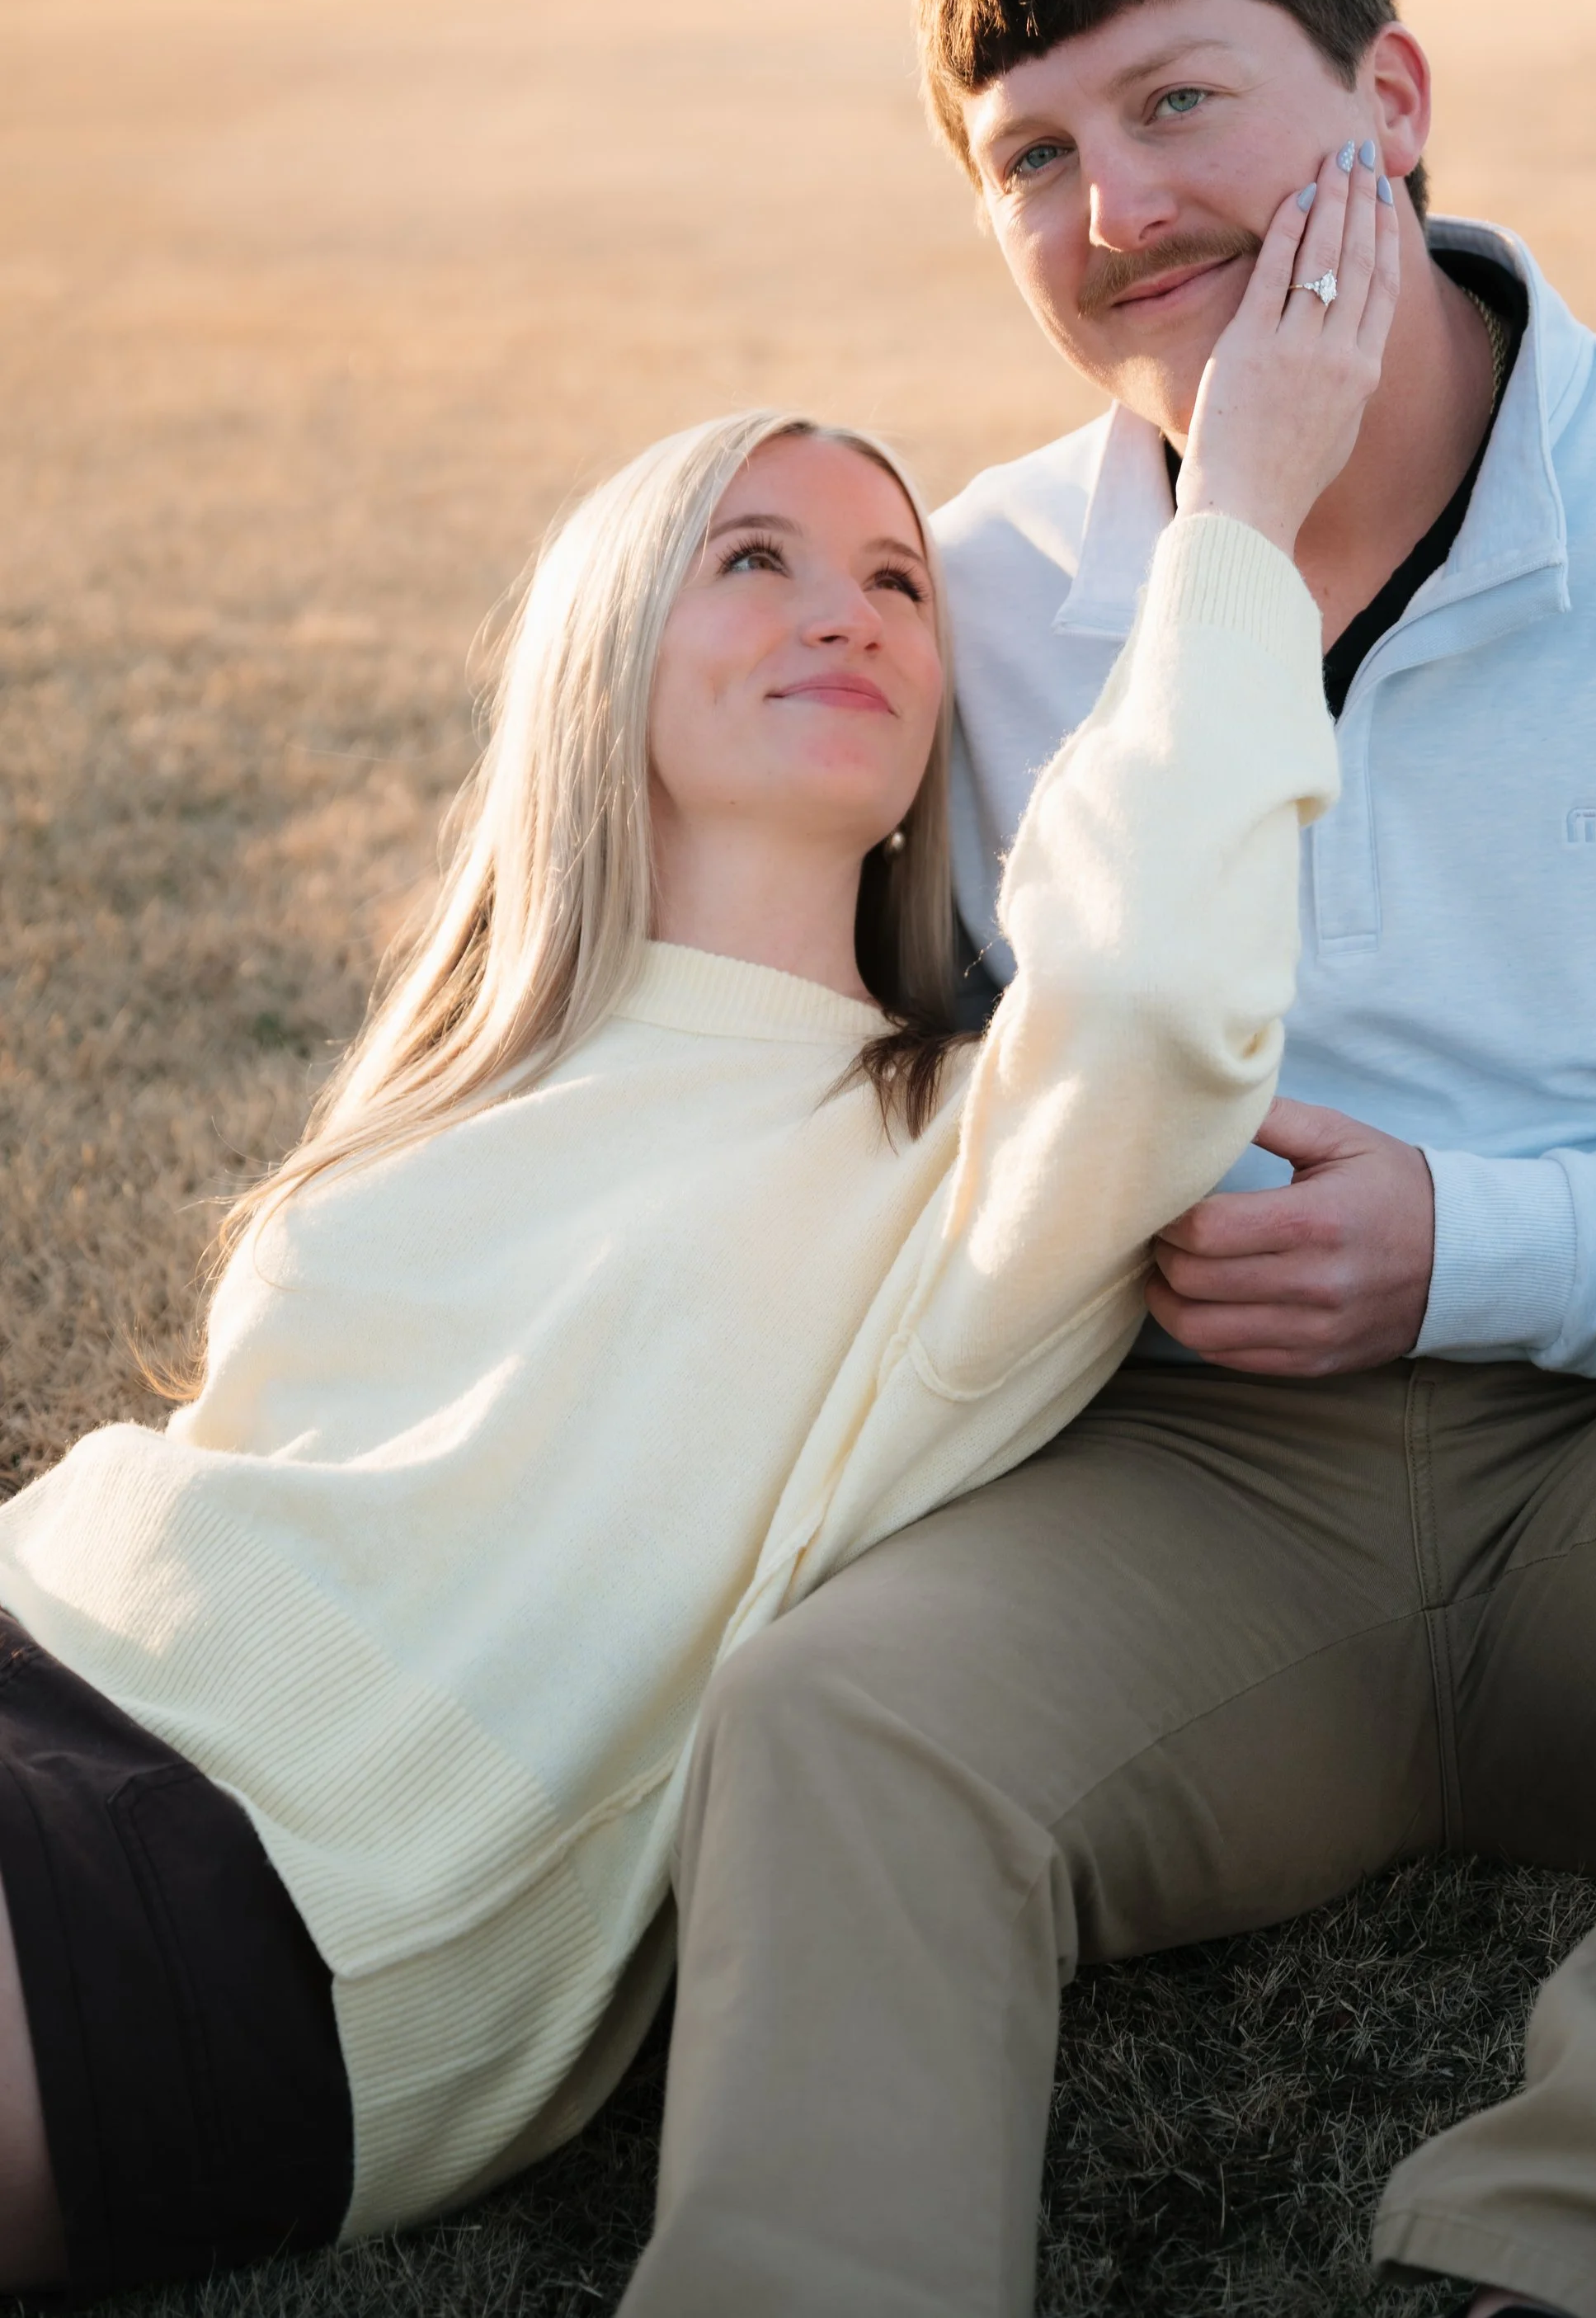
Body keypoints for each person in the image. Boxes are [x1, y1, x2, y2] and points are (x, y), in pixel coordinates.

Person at [619, 0, 1596, 2318]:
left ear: (1390, 100)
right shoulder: (966, 600)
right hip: (1193, 1496)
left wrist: (1478, 1238)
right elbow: (783, 1043)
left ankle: (1582, 2261)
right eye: (1030, 157)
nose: (1114, 209)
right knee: (839, 1715)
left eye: (1179, 100)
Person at [0, 186, 1391, 2301]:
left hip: (272, 1894)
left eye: (898, 581)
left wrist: (1243, 518)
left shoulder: (964, 1152)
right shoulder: (472, 1064)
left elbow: (1151, 997)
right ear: (606, 656)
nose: (850, 614)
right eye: (756, 560)